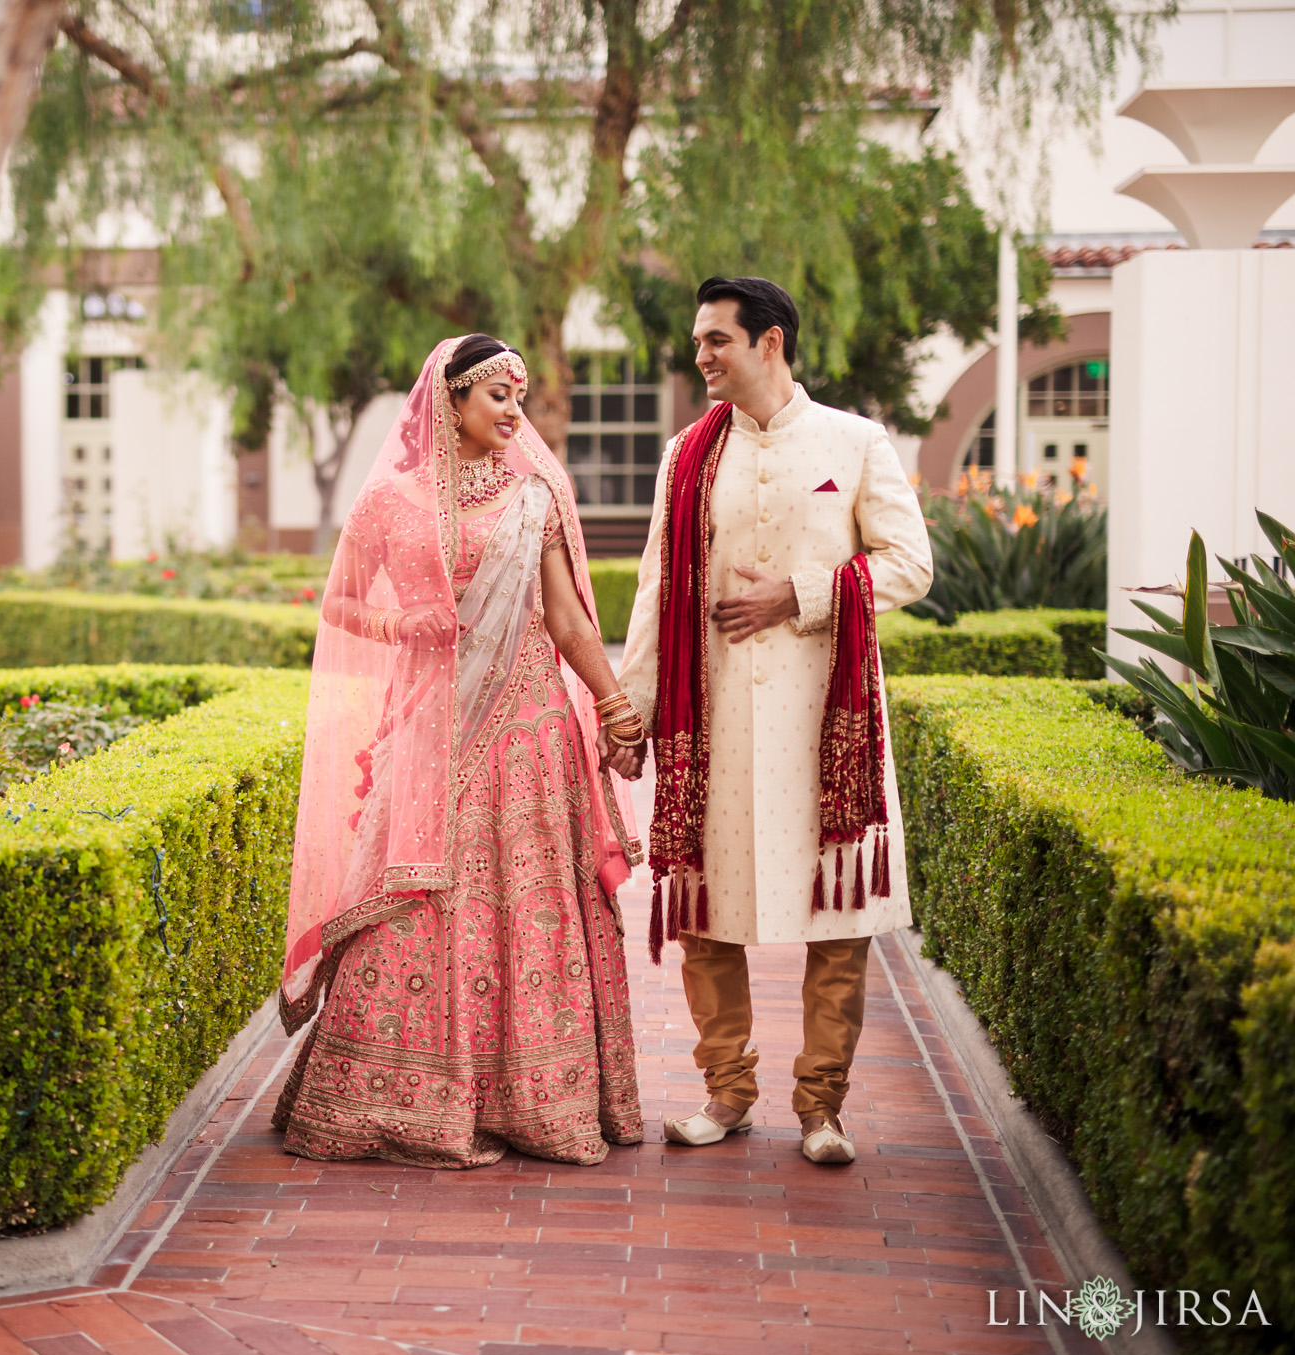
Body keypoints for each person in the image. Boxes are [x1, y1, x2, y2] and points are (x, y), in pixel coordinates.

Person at [272, 334, 648, 1167]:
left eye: (518, 397)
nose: (516, 413)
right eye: (498, 398)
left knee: (528, 904)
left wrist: (615, 704)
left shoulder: (535, 497)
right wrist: (399, 623)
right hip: (431, 730)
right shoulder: (390, 503)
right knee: (419, 899)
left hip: (529, 732)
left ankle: (536, 1099)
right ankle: (395, 1097)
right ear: (450, 402)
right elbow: (338, 604)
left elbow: (567, 618)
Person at [613, 277, 933, 1164]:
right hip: (710, 714)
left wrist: (801, 594)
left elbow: (910, 564)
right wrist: (634, 713)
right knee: (706, 907)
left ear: (771, 342)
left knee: (838, 914)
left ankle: (822, 1108)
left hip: (825, 718)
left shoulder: (854, 441)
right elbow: (656, 591)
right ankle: (727, 1093)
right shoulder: (686, 454)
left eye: (716, 339)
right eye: (698, 341)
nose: (701, 355)